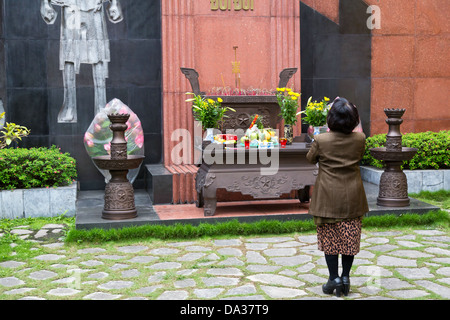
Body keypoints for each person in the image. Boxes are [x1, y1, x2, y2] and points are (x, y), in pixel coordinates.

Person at [306, 97, 369, 297]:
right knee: (350, 238)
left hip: (327, 197)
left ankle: (333, 277)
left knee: (330, 240)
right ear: (353, 119)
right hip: (353, 196)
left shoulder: (321, 140)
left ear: (330, 119)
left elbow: (310, 158)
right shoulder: (360, 139)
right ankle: (345, 278)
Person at [40, 0, 123, 123]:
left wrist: (115, 3)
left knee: (98, 54)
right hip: (71, 7)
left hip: (94, 7)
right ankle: (69, 107)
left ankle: (101, 106)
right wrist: (45, 3)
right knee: (69, 54)